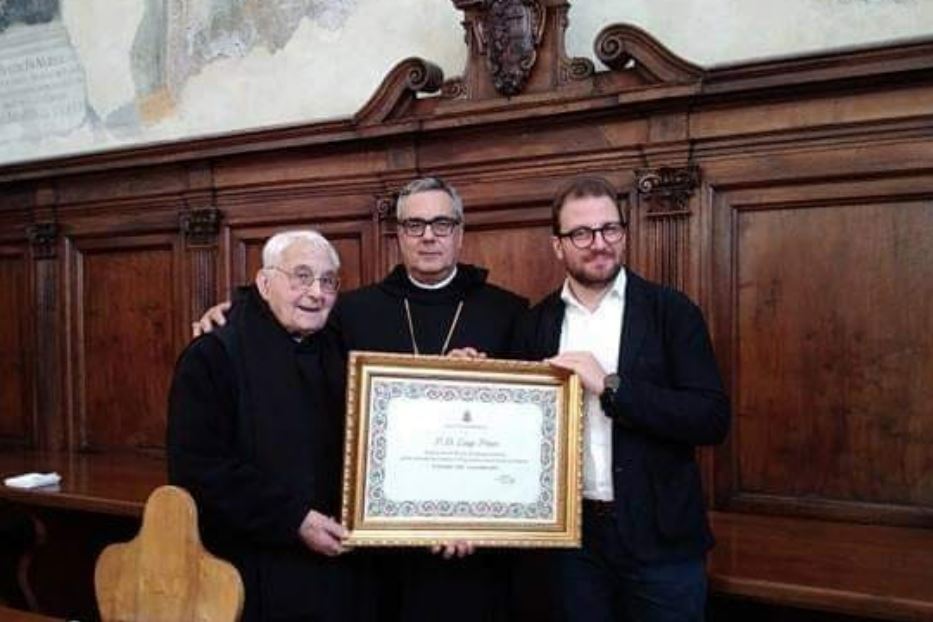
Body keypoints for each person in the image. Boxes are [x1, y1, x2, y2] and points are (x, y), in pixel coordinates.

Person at [192, 177, 528, 622]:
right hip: (371, 550)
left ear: (460, 232)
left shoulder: (510, 312)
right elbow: (286, 311)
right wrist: (233, 309)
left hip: (471, 553)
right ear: (398, 234)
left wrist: (474, 520)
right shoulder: (350, 310)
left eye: (442, 224)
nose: (428, 235)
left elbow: (521, 434)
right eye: (414, 224)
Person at [513, 176, 730, 621]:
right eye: (581, 233)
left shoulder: (671, 310)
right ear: (558, 246)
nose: (599, 243)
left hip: (662, 540)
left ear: (624, 233)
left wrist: (612, 387)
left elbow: (711, 418)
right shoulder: (533, 325)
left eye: (610, 229)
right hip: (570, 542)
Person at [167, 230, 371, 622]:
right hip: (253, 572)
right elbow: (198, 469)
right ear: (263, 283)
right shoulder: (212, 356)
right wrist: (293, 519)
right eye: (301, 276)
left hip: (341, 570)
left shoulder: (345, 350)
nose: (316, 293)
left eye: (328, 281)